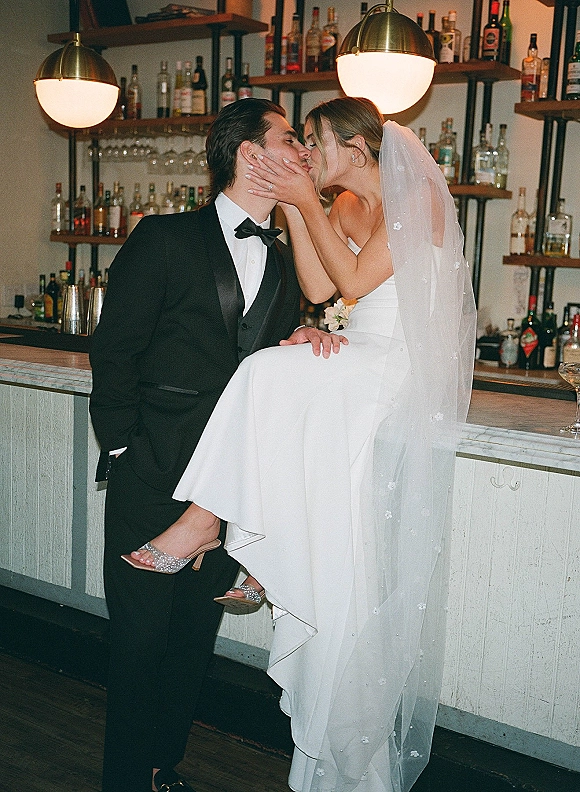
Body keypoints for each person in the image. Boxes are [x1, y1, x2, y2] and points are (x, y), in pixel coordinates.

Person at [125, 98, 477, 792]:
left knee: (266, 372)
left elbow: (353, 282)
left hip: (397, 365)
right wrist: (295, 207)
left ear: (354, 145)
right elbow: (320, 289)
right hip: (360, 351)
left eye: (313, 144)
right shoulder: (343, 205)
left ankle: (213, 521)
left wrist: (299, 201)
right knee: (276, 378)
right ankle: (238, 532)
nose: (308, 157)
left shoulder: (421, 207)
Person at [89, 97, 346, 792]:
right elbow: (114, 351)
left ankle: (160, 768)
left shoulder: (293, 261)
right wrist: (121, 452)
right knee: (139, 643)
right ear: (248, 153)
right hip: (153, 468)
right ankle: (122, 780)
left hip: (231, 482)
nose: (301, 151)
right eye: (289, 139)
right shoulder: (164, 236)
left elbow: (265, 366)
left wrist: (306, 338)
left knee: (190, 647)